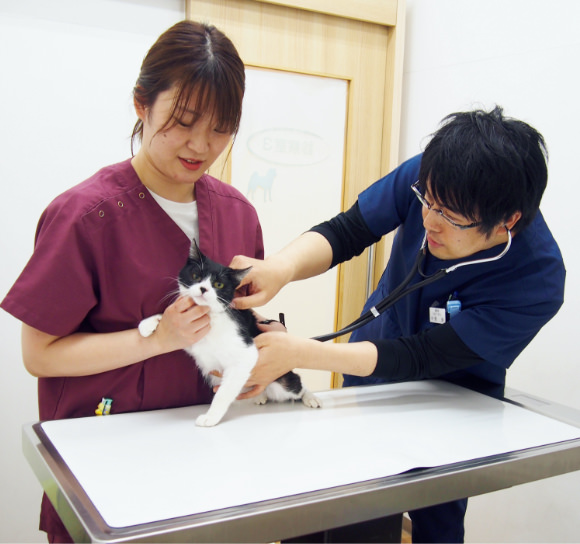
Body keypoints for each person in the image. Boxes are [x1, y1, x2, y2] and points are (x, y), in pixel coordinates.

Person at [229, 106, 565, 543]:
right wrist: (280, 267)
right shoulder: (433, 177)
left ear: (508, 222)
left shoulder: (536, 278)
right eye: (428, 202)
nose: (428, 221)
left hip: (456, 397)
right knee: (348, 494)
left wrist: (303, 351)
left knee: (439, 514)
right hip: (372, 362)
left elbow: (425, 356)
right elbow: (349, 230)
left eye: (451, 217)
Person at [1, 21, 264, 543]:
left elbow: (246, 317)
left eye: (220, 128)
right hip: (105, 473)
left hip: (207, 468)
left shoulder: (238, 215)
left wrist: (263, 349)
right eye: (184, 121)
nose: (200, 145)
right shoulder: (85, 215)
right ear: (142, 104)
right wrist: (160, 338)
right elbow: (40, 356)